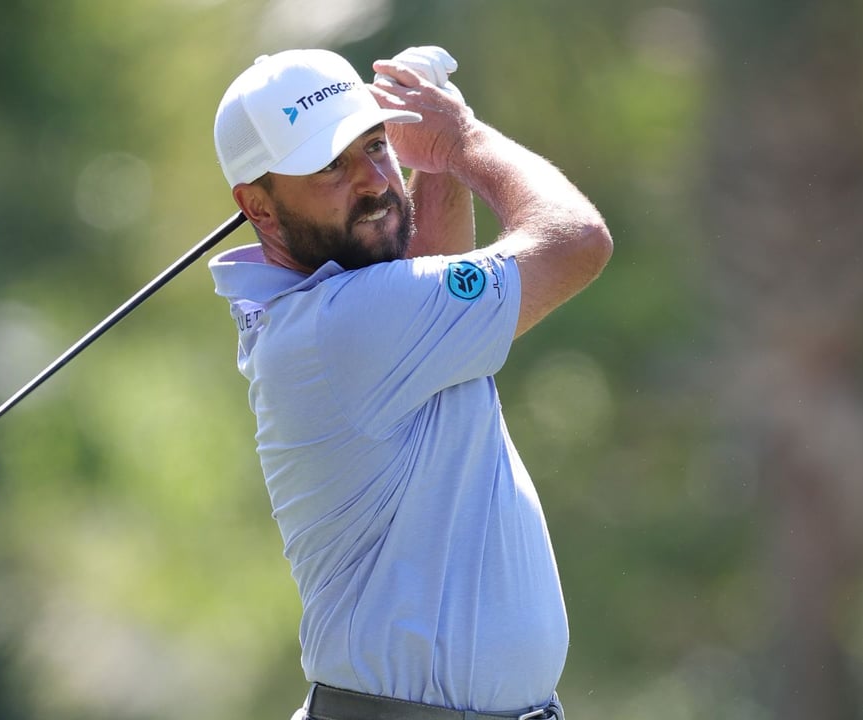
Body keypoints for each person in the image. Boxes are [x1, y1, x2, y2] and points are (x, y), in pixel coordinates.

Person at [208, 46, 611, 720]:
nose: (370, 179)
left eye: (375, 145)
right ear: (260, 207)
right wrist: (462, 142)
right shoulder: (342, 327)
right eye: (329, 166)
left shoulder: (347, 314)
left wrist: (430, 165)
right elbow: (577, 243)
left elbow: (425, 275)